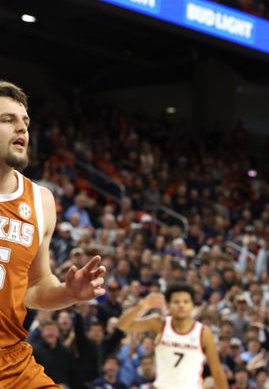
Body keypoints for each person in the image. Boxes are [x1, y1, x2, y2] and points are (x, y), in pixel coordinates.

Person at [0, 80, 107, 388]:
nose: (22, 129)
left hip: (10, 362)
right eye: (8, 120)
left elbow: (34, 288)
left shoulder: (40, 200)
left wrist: (69, 293)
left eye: (25, 122)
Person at [117, 283, 229, 389]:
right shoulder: (159, 324)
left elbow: (216, 369)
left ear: (192, 305)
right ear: (168, 305)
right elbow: (122, 325)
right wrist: (143, 306)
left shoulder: (203, 332)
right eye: (176, 302)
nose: (181, 305)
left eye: (186, 302)